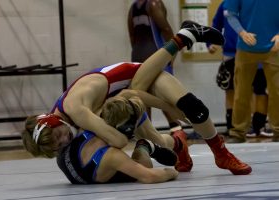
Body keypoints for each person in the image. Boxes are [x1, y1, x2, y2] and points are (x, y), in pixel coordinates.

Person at [22, 20, 252, 175]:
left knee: (194, 109)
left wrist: (168, 109)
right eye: (57, 146)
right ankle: (179, 143)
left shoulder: (75, 110)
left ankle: (221, 154)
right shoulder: (63, 120)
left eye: (59, 136)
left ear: (53, 121)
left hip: (135, 78)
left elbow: (122, 133)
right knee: (160, 142)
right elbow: (127, 102)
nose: (64, 142)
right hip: (125, 97)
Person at [207, 1, 273, 138]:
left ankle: (258, 126)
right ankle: (233, 126)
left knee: (260, 90)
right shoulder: (225, 5)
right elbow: (216, 25)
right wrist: (210, 43)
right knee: (232, 90)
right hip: (231, 54)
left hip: (258, 51)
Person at [224, 0, 279, 143]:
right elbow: (230, 14)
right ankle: (238, 132)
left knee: (277, 91)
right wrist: (241, 33)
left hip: (275, 47)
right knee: (241, 92)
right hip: (245, 47)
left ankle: (278, 131)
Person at [127, 0, 182, 132]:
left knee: (143, 96)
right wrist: (171, 53)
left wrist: (137, 53)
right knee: (165, 95)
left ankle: (147, 133)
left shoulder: (133, 8)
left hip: (137, 55)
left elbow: (132, 35)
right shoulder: (154, 4)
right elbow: (166, 29)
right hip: (156, 54)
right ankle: (177, 131)